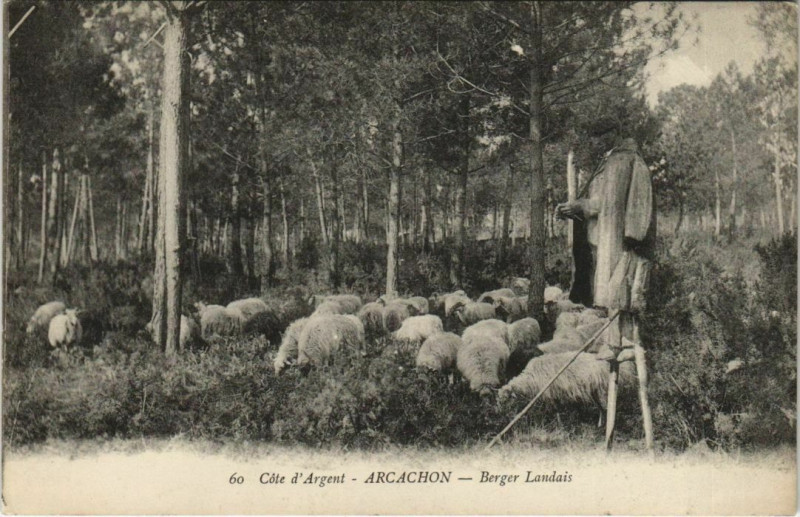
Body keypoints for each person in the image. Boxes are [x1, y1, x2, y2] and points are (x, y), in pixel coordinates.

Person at [556, 135, 656, 452]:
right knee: (610, 298)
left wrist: (631, 235)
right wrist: (581, 207)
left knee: (622, 294)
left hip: (626, 252)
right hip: (610, 250)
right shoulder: (611, 162)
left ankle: (622, 339)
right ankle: (613, 341)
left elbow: (638, 211)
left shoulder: (632, 163)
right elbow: (603, 203)